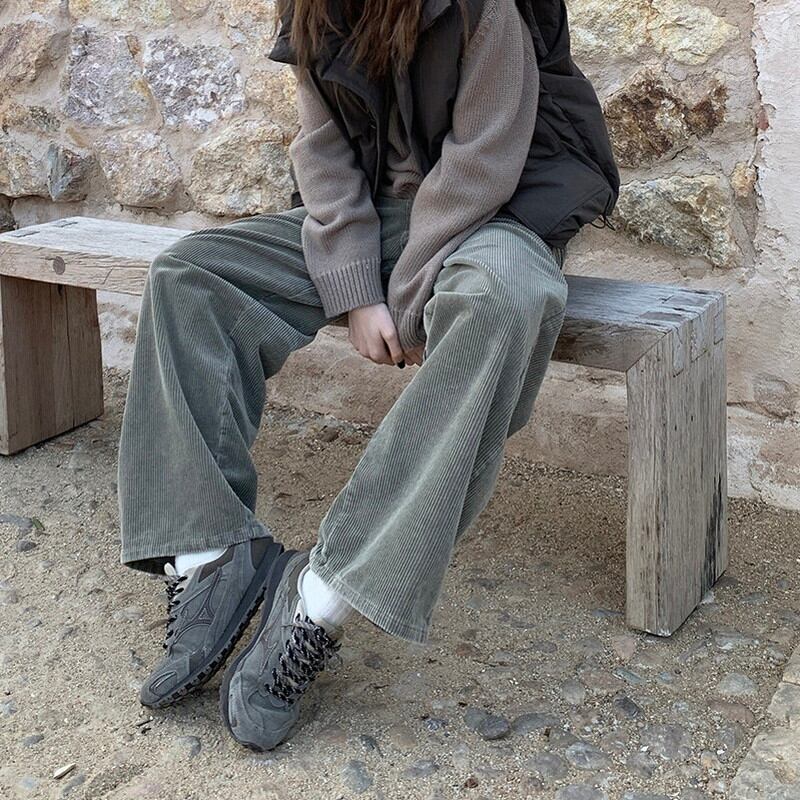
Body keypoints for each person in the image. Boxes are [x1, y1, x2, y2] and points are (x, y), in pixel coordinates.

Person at [116, 0, 619, 753]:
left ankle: (319, 601)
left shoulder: (486, 11)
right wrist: (354, 286)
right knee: (190, 276)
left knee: (508, 298)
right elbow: (322, 148)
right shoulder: (311, 6)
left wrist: (406, 298)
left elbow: (484, 161)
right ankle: (209, 554)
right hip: (384, 213)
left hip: (499, 212)